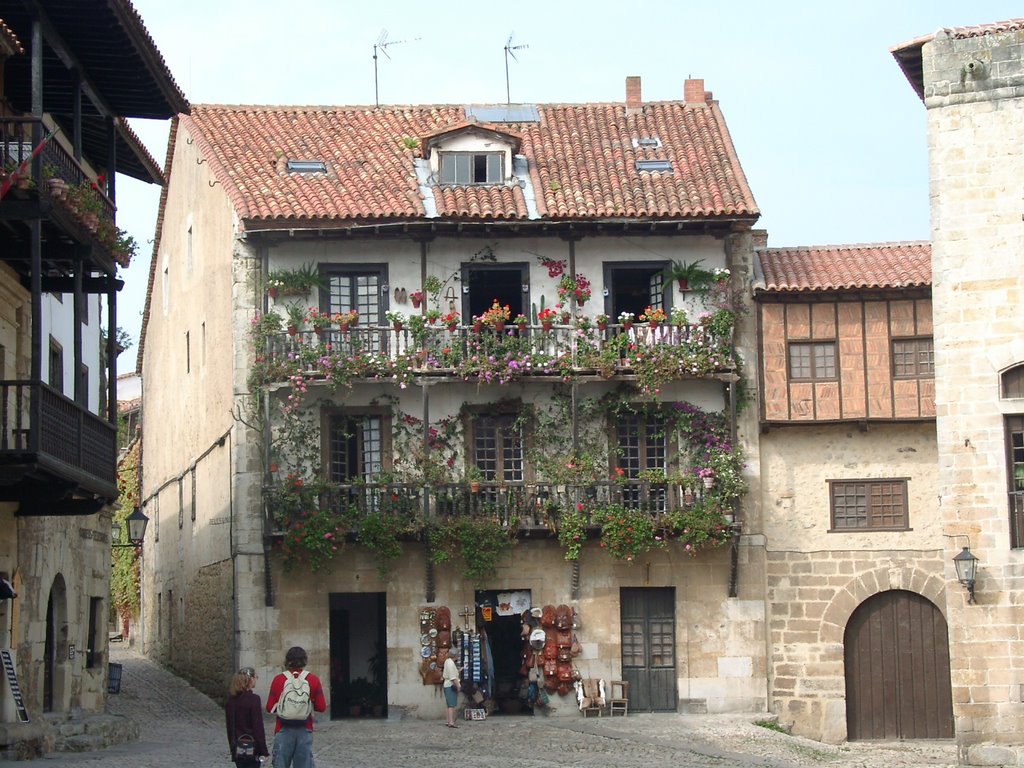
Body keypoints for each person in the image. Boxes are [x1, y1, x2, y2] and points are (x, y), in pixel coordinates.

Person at [265, 646, 327, 768]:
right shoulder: (312, 680)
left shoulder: (279, 680)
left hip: (283, 728)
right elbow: (321, 707)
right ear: (304, 661)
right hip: (305, 728)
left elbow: (269, 707)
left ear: (287, 661)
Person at [225, 667, 269, 767]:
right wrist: (263, 751)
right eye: (255, 677)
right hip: (252, 746)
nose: (256, 679)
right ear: (250, 679)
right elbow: (257, 727)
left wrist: (233, 747)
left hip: (237, 746)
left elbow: (230, 727)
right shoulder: (254, 700)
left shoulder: (231, 701)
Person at [442, 653, 461, 728]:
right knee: (451, 704)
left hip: (447, 684)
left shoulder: (447, 661)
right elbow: (452, 677)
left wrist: (459, 671)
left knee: (449, 704)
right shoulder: (450, 663)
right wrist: (458, 685)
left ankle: (448, 720)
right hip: (450, 685)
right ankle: (451, 722)